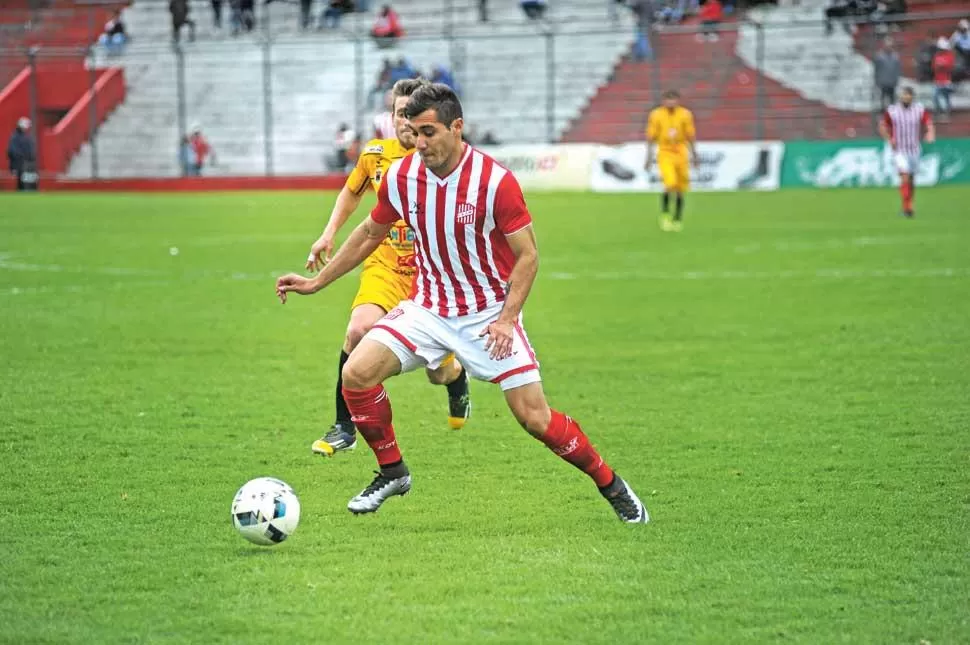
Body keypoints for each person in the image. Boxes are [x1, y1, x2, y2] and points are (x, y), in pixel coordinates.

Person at [276, 83, 648, 523]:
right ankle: (393, 471)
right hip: (428, 309)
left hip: (489, 314)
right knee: (356, 374)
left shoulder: (494, 182)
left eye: (429, 132)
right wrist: (318, 282)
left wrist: (508, 319)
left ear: (457, 127)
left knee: (535, 419)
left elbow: (528, 256)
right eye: (413, 131)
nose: (420, 142)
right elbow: (370, 234)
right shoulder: (401, 176)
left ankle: (612, 486)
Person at [300, 79, 472, 457]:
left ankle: (455, 378)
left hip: (430, 276)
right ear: (392, 117)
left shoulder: (439, 160)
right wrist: (328, 234)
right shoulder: (376, 155)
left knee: (437, 372)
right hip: (385, 266)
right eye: (400, 114)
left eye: (413, 115)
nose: (406, 123)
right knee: (358, 330)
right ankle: (343, 427)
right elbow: (352, 190)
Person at [645, 90, 698, 232]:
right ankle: (665, 215)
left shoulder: (685, 114)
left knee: (681, 189)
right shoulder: (656, 115)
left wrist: (695, 156)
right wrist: (648, 157)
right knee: (670, 184)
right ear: (663, 101)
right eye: (668, 100)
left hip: (681, 151)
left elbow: (690, 135)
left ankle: (678, 218)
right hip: (665, 151)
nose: (671, 103)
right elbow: (651, 137)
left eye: (673, 100)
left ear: (678, 101)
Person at [878, 86, 934, 218]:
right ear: (901, 96)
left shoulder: (919, 109)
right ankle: (907, 207)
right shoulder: (893, 111)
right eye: (904, 95)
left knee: (912, 179)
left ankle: (909, 205)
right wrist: (889, 139)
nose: (906, 97)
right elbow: (882, 126)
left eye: (909, 95)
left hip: (914, 149)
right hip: (900, 150)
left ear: (912, 97)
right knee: (904, 176)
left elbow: (928, 123)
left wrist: (930, 133)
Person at [7, 117, 36, 191]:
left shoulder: (26, 137)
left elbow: (30, 152)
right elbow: (12, 152)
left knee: (26, 182)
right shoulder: (15, 137)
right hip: (18, 165)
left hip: (26, 165)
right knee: (19, 182)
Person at [873, 38, 901, 110]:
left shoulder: (895, 57)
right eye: (887, 46)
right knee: (883, 98)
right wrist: (877, 80)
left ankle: (892, 113)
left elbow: (897, 69)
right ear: (884, 46)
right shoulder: (879, 56)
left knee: (892, 98)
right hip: (883, 81)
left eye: (890, 46)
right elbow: (876, 69)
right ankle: (883, 111)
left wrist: (897, 79)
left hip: (892, 82)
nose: (888, 47)